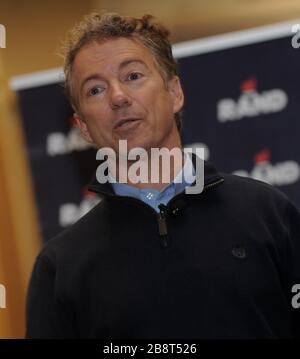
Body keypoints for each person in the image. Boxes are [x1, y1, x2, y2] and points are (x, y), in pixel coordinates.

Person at [26, 12, 300, 339]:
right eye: (95, 90)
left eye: (133, 76)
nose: (117, 97)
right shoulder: (60, 268)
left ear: (175, 93)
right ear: (83, 127)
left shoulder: (267, 213)